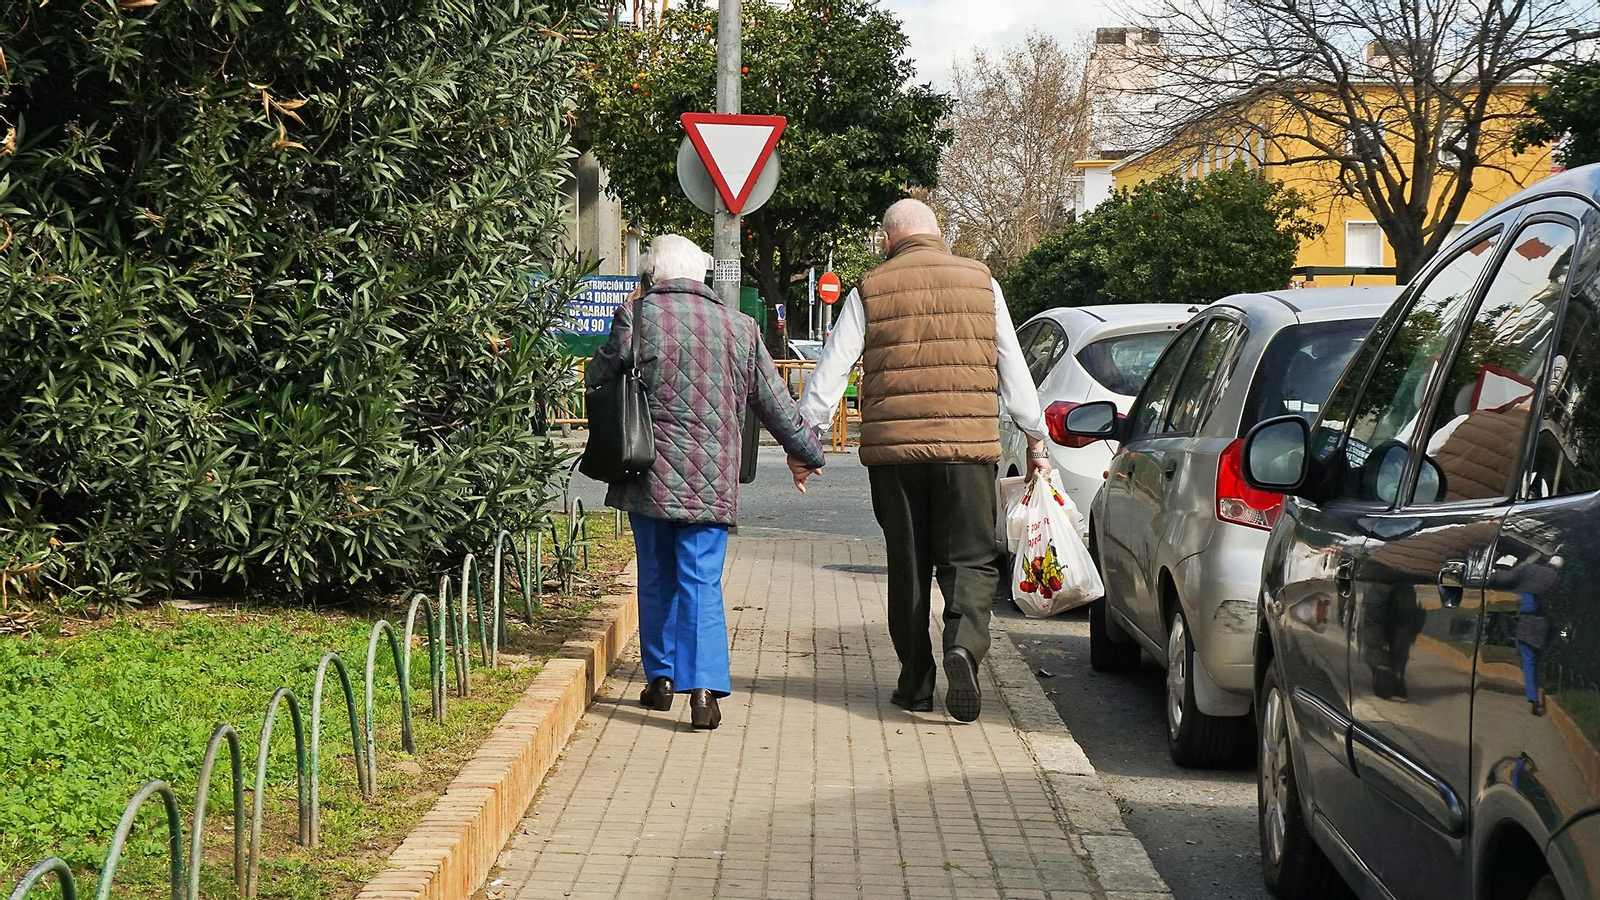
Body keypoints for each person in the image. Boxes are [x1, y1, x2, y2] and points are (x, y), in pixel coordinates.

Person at [794, 199, 1050, 722]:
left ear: (888, 240)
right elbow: (1012, 366)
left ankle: (915, 684)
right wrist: (1035, 437)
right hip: (967, 449)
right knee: (971, 559)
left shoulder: (870, 287)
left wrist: (807, 441)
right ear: (939, 234)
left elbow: (833, 369)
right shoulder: (982, 282)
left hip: (895, 455)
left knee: (908, 564)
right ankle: (963, 646)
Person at [587, 235, 825, 731]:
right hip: (711, 480)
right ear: (701, 274)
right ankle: (703, 692)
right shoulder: (740, 327)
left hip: (646, 473)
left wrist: (630, 311)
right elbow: (775, 403)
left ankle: (660, 680)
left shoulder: (638, 317)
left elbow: (599, 376)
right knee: (701, 580)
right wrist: (806, 453)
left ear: (653, 274)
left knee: (656, 576)